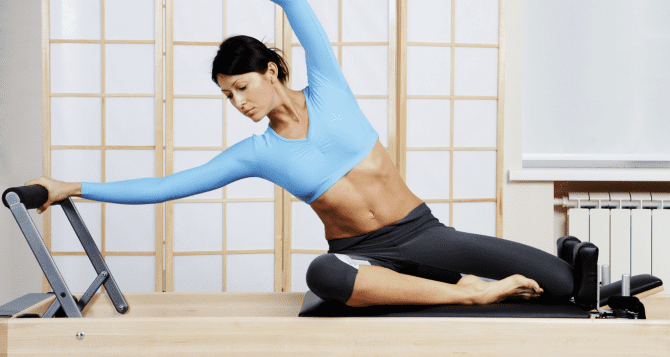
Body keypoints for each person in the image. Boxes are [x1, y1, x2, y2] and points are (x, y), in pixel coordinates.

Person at [26, 0, 575, 308]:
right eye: (226, 95)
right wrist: (73, 187)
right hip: (364, 254)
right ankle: (469, 294)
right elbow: (169, 185)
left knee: (563, 282)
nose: (237, 102)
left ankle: (467, 279)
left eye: (242, 86)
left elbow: (297, 7)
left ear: (271, 71)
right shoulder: (258, 153)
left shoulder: (329, 88)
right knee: (323, 275)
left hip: (423, 233)